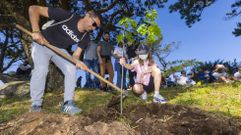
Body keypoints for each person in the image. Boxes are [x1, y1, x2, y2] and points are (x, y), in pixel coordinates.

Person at [28, 5, 101, 115]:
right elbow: (33, 9)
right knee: (41, 69)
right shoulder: (68, 16)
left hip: (60, 50)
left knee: (71, 68)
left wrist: (78, 61)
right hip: (42, 43)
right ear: (87, 15)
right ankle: (36, 105)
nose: (94, 28)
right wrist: (36, 31)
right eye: (94, 24)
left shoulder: (85, 38)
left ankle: (68, 104)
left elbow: (76, 55)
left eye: (97, 28)